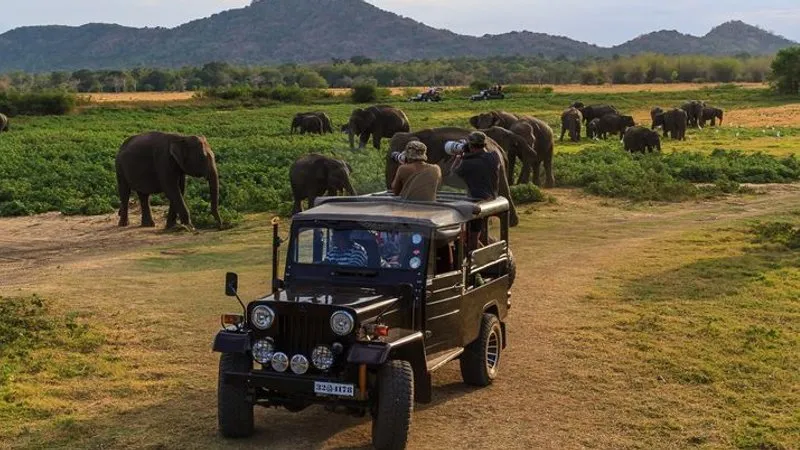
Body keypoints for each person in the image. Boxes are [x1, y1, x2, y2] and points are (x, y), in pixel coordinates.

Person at [450, 131, 500, 249]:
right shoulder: (494, 157)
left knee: (472, 236)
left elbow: (452, 178)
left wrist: (458, 159)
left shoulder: (467, 163)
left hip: (476, 201)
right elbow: (483, 156)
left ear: (471, 146)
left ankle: (471, 253)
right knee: (477, 234)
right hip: (491, 198)